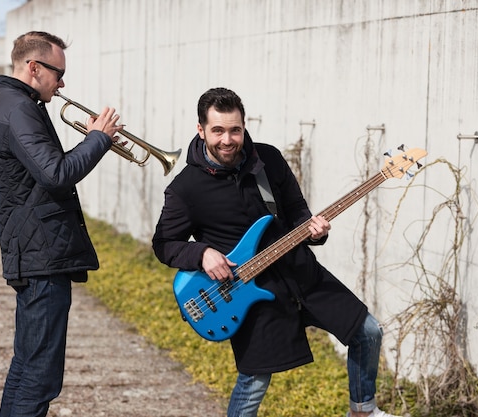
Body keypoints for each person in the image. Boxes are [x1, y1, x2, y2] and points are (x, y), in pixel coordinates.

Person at [152, 87, 401, 417]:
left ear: (243, 125)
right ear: (201, 130)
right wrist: (202, 254)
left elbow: (297, 210)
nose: (228, 139)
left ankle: (363, 410)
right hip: (248, 290)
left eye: (235, 130)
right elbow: (164, 243)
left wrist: (313, 230)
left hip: (300, 272)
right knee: (254, 380)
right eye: (218, 130)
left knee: (368, 330)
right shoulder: (185, 188)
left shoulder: (266, 159)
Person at [0, 31, 123, 417]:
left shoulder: (19, 103)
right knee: (39, 376)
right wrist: (98, 139)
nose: (62, 84)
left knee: (27, 368)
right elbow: (56, 174)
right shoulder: (18, 108)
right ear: (34, 68)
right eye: (58, 73)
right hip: (40, 256)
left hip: (37, 251)